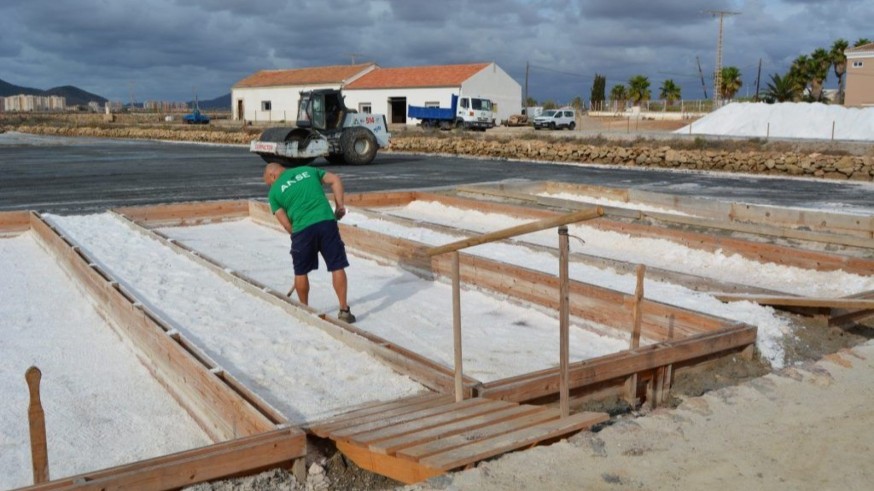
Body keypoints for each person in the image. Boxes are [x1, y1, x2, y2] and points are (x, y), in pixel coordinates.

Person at [263, 162, 356, 323]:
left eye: (269, 183)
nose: (270, 186)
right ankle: (344, 311)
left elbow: (285, 223)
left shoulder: (274, 193)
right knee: (337, 266)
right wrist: (339, 206)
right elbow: (335, 179)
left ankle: (305, 311)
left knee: (300, 272)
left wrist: (298, 237)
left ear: (272, 175)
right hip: (326, 222)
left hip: (302, 229)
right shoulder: (307, 170)